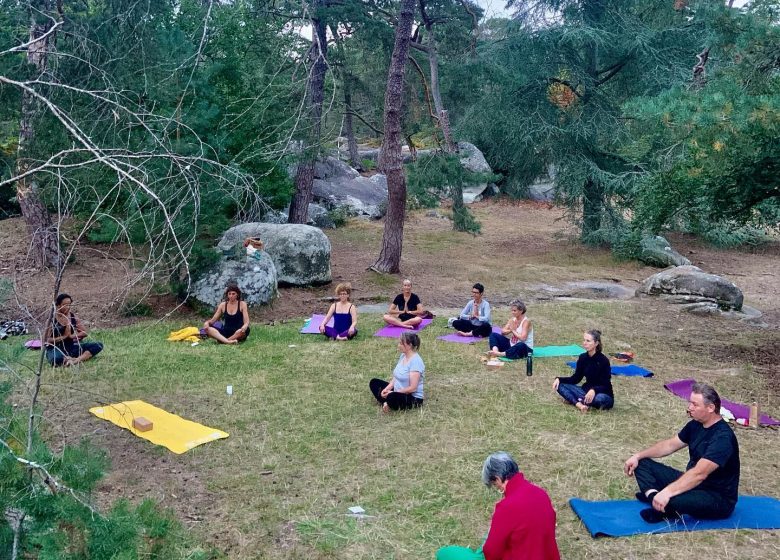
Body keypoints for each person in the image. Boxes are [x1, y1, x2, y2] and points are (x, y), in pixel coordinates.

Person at [624, 382, 740, 523]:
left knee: (673, 498)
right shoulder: (695, 425)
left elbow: (699, 473)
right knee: (641, 464)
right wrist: (637, 456)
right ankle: (655, 498)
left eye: (695, 404)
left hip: (716, 497)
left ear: (711, 408)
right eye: (690, 403)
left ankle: (659, 501)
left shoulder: (722, 438)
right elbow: (669, 445)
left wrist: (667, 492)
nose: (689, 408)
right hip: (692, 483)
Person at [436, 452, 560, 560]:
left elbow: (491, 553)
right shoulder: (541, 493)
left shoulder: (507, 507)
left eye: (494, 485)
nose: (498, 488)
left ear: (498, 479)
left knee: (445, 554)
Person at [553, 330, 614, 412]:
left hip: (602, 394)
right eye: (584, 340)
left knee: (600, 399)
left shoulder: (603, 360)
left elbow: (606, 384)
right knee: (560, 385)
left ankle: (576, 399)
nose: (585, 343)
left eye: (588, 341)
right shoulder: (583, 358)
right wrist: (559, 379)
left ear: (596, 343)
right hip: (585, 391)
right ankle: (579, 405)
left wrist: (594, 390)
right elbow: (576, 378)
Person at [369, 331, 424, 412]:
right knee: (374, 383)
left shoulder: (416, 362)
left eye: (401, 343)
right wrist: (387, 389)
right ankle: (387, 402)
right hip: (397, 391)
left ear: (409, 345)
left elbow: (413, 388)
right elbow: (396, 377)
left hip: (412, 397)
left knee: (392, 397)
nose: (398, 345)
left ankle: (388, 402)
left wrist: (392, 393)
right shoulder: (403, 356)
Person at [44, 293, 103, 367]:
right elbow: (46, 340)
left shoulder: (72, 317)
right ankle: (67, 359)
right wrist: (64, 337)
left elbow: (84, 332)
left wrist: (71, 336)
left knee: (98, 345)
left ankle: (76, 360)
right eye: (65, 305)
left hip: (71, 348)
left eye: (69, 305)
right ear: (58, 305)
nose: (68, 307)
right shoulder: (51, 319)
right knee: (56, 359)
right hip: (55, 349)